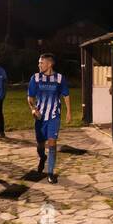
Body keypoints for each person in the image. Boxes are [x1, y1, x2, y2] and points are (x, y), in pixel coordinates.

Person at [27, 53, 71, 184]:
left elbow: (66, 96)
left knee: (52, 143)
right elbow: (30, 97)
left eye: (42, 63)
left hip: (54, 116)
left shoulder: (59, 78)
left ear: (50, 64)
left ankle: (50, 173)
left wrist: (69, 112)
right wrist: (33, 108)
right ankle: (42, 157)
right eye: (39, 63)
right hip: (40, 118)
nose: (39, 65)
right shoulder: (35, 78)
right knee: (40, 145)